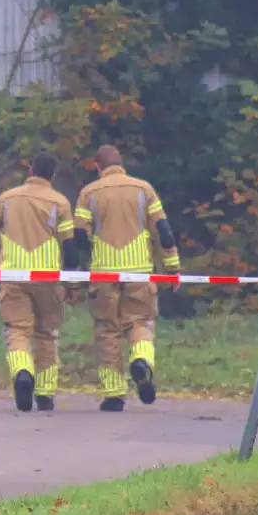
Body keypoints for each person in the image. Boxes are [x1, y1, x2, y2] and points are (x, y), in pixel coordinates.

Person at [73, 145, 181, 413]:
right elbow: (164, 231)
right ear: (121, 163)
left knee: (107, 331)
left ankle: (113, 395)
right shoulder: (144, 189)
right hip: (139, 271)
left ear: (97, 166)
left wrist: (79, 277)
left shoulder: (89, 193)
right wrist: (172, 268)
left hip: (103, 273)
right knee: (141, 323)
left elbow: (78, 238)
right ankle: (142, 362)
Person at [0, 151, 78, 412]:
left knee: (17, 330)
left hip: (13, 275)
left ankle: (22, 372)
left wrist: (0, 245)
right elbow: (70, 246)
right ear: (52, 175)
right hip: (48, 277)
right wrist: (70, 283)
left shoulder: (7, 198)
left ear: (31, 170)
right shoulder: (60, 202)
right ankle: (45, 394)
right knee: (47, 333)